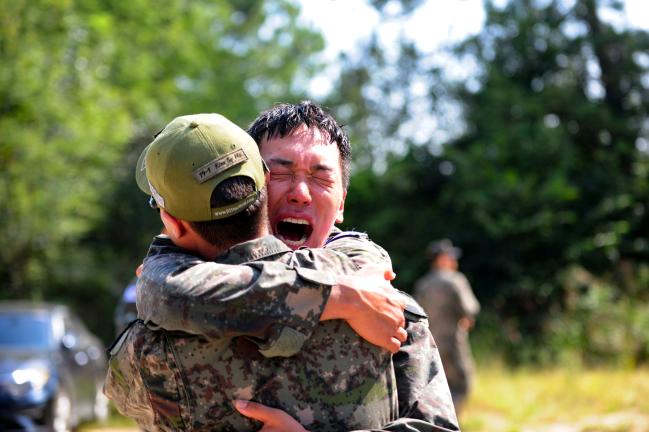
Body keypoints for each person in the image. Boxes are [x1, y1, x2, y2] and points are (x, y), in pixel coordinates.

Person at [106, 105, 458, 431]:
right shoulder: (167, 320)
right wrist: (337, 296)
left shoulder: (387, 306)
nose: (300, 193)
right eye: (280, 172)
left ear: (341, 205)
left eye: (321, 177)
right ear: (251, 184)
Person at [413, 239, 480, 415]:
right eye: (450, 256)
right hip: (453, 344)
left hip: (429, 346)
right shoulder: (455, 280)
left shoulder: (423, 284)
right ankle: (452, 420)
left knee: (432, 387)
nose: (454, 261)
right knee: (463, 383)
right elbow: (470, 308)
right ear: (442, 259)